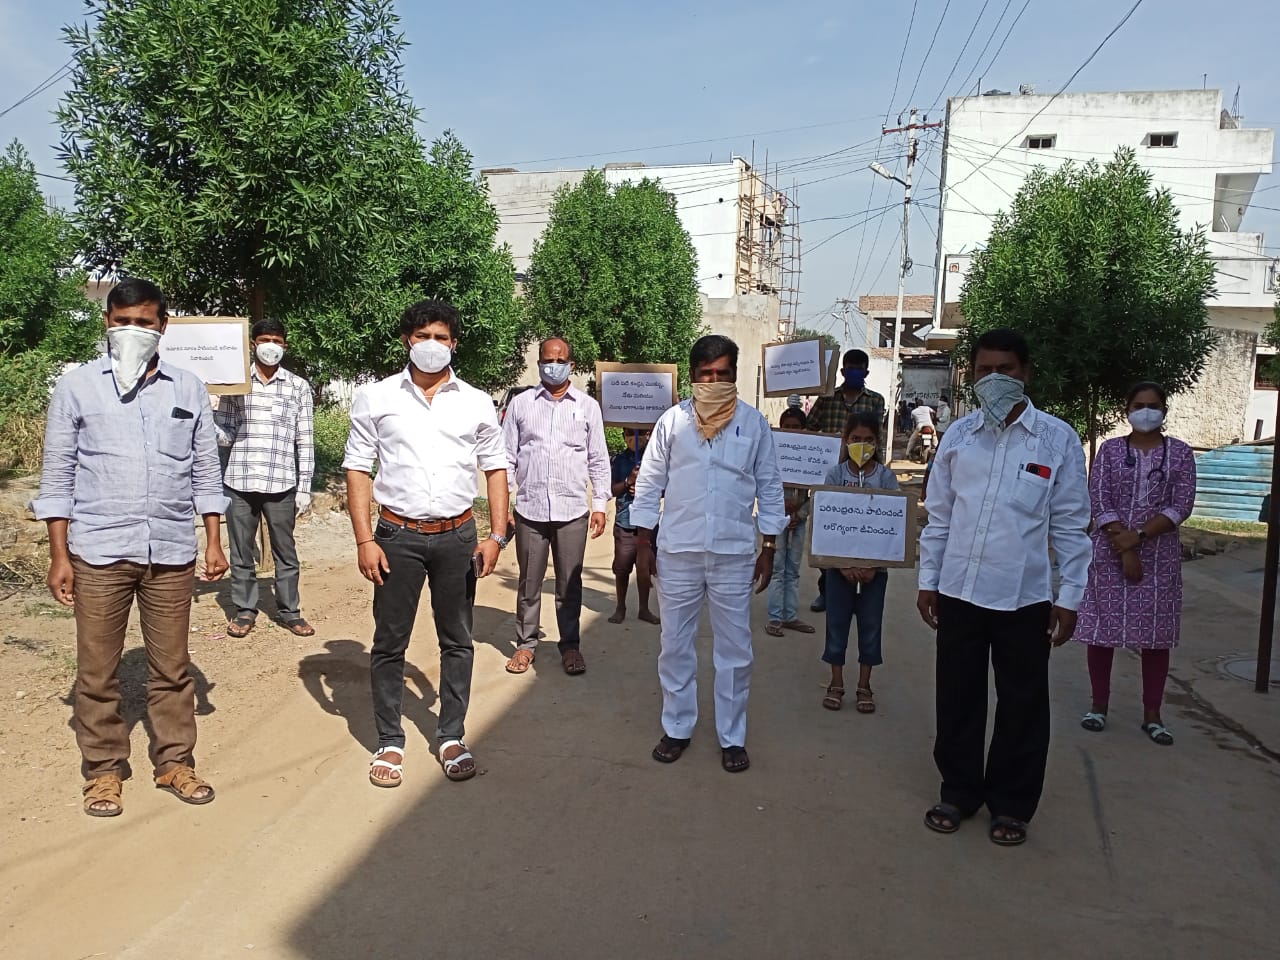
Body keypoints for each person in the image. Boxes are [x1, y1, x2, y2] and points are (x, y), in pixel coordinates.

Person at [31, 278, 229, 817]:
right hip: (97, 550)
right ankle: (103, 771)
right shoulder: (76, 389)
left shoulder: (187, 388)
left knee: (172, 669)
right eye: (123, 322)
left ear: (163, 326)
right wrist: (59, 555)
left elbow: (206, 471)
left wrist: (213, 538)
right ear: (107, 323)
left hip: (170, 551)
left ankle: (174, 763)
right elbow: (57, 478)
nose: (133, 331)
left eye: (144, 322)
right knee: (97, 672)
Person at [917, 328, 1091, 847]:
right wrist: (929, 581)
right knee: (957, 696)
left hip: (1024, 596)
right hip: (959, 591)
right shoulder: (958, 438)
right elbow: (940, 517)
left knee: (1023, 703)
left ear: (1026, 373)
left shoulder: (1055, 440)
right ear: (971, 375)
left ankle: (1012, 804)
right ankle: (959, 791)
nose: (995, 379)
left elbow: (1069, 526)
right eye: (985, 370)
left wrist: (1069, 597)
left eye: (1006, 370)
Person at [343, 299, 510, 788]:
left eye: (440, 337)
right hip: (397, 536)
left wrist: (497, 534)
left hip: (458, 536)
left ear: (454, 343)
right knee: (390, 642)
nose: (431, 346)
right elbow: (358, 467)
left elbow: (495, 467)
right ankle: (390, 740)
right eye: (422, 337)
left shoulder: (476, 401)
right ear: (406, 342)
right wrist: (363, 539)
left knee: (457, 639)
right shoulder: (375, 398)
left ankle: (451, 734)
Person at [632, 335, 787, 773]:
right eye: (706, 374)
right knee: (674, 646)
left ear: (735, 376)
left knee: (735, 651)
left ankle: (731, 736)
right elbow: (649, 484)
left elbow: (770, 486)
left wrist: (769, 544)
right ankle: (677, 727)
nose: (714, 381)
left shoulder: (753, 424)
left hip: (734, 554)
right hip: (677, 551)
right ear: (693, 375)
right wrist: (644, 541)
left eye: (723, 374)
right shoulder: (672, 423)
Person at [1075, 382, 1196, 746]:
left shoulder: (1180, 454)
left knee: (1156, 638)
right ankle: (1098, 706)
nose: (1146, 411)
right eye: (1139, 404)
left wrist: (1140, 536)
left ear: (1165, 410)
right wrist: (1125, 546)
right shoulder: (1111, 451)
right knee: (1102, 632)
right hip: (1111, 550)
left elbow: (1181, 504)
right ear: (1126, 409)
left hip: (1159, 556)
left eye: (1153, 405)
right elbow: (1099, 497)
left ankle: (1153, 714)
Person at [502, 337, 610, 677]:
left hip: (572, 511)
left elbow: (598, 459)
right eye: (548, 359)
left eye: (560, 359)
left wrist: (601, 504)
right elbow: (505, 458)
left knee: (569, 584)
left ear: (571, 365)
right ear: (538, 363)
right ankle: (525, 645)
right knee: (529, 582)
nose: (554, 364)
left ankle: (570, 645)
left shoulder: (587, 406)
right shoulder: (520, 405)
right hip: (530, 511)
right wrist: (502, 502)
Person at [214, 318, 316, 638]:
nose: (270, 345)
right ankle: (245, 610)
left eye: (276, 339)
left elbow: (305, 439)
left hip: (282, 482)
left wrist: (305, 487)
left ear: (284, 345)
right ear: (253, 344)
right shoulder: (236, 384)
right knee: (241, 550)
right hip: (240, 481)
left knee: (285, 549)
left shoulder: (297, 386)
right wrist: (208, 414)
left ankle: (290, 611)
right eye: (264, 339)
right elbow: (226, 436)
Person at [819, 413, 899, 713]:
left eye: (868, 440)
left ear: (876, 442)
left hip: (873, 573)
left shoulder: (886, 478)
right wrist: (841, 565)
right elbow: (826, 522)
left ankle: (865, 685)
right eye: (855, 439)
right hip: (838, 571)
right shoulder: (835, 476)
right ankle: (836, 682)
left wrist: (871, 565)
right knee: (836, 625)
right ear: (845, 440)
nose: (861, 445)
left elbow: (894, 526)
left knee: (870, 627)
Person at [806, 348, 886, 613]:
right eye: (849, 367)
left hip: (863, 476)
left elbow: (878, 438)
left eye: (859, 367)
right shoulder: (826, 399)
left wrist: (880, 473)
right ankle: (827, 589)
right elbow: (808, 430)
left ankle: (857, 588)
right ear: (841, 371)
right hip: (830, 476)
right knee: (828, 531)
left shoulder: (875, 400)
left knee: (857, 529)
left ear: (866, 372)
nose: (854, 371)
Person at [765, 408, 814, 637]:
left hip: (799, 520)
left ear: (804, 430)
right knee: (776, 567)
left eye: (797, 427)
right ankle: (775, 617)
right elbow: (763, 484)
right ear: (780, 426)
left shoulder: (811, 454)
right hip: (777, 518)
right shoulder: (771, 452)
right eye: (788, 426)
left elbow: (819, 492)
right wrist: (781, 508)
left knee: (793, 569)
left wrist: (800, 514)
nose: (792, 431)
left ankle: (790, 615)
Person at [608, 428, 659, 626]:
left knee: (645, 567)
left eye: (638, 434)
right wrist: (628, 481)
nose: (633, 439)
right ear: (623, 437)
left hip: (647, 523)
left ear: (647, 435)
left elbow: (665, 488)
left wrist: (644, 488)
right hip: (625, 521)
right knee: (622, 567)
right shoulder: (619, 461)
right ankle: (620, 606)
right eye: (629, 434)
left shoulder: (655, 460)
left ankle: (644, 608)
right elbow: (611, 489)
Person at [906, 397, 937, 461]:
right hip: (929, 425)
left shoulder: (913, 411)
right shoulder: (927, 408)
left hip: (920, 427)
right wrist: (932, 417)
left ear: (916, 404)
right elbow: (934, 412)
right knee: (934, 436)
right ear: (923, 404)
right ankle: (935, 447)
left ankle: (907, 453)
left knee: (912, 440)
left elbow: (912, 420)